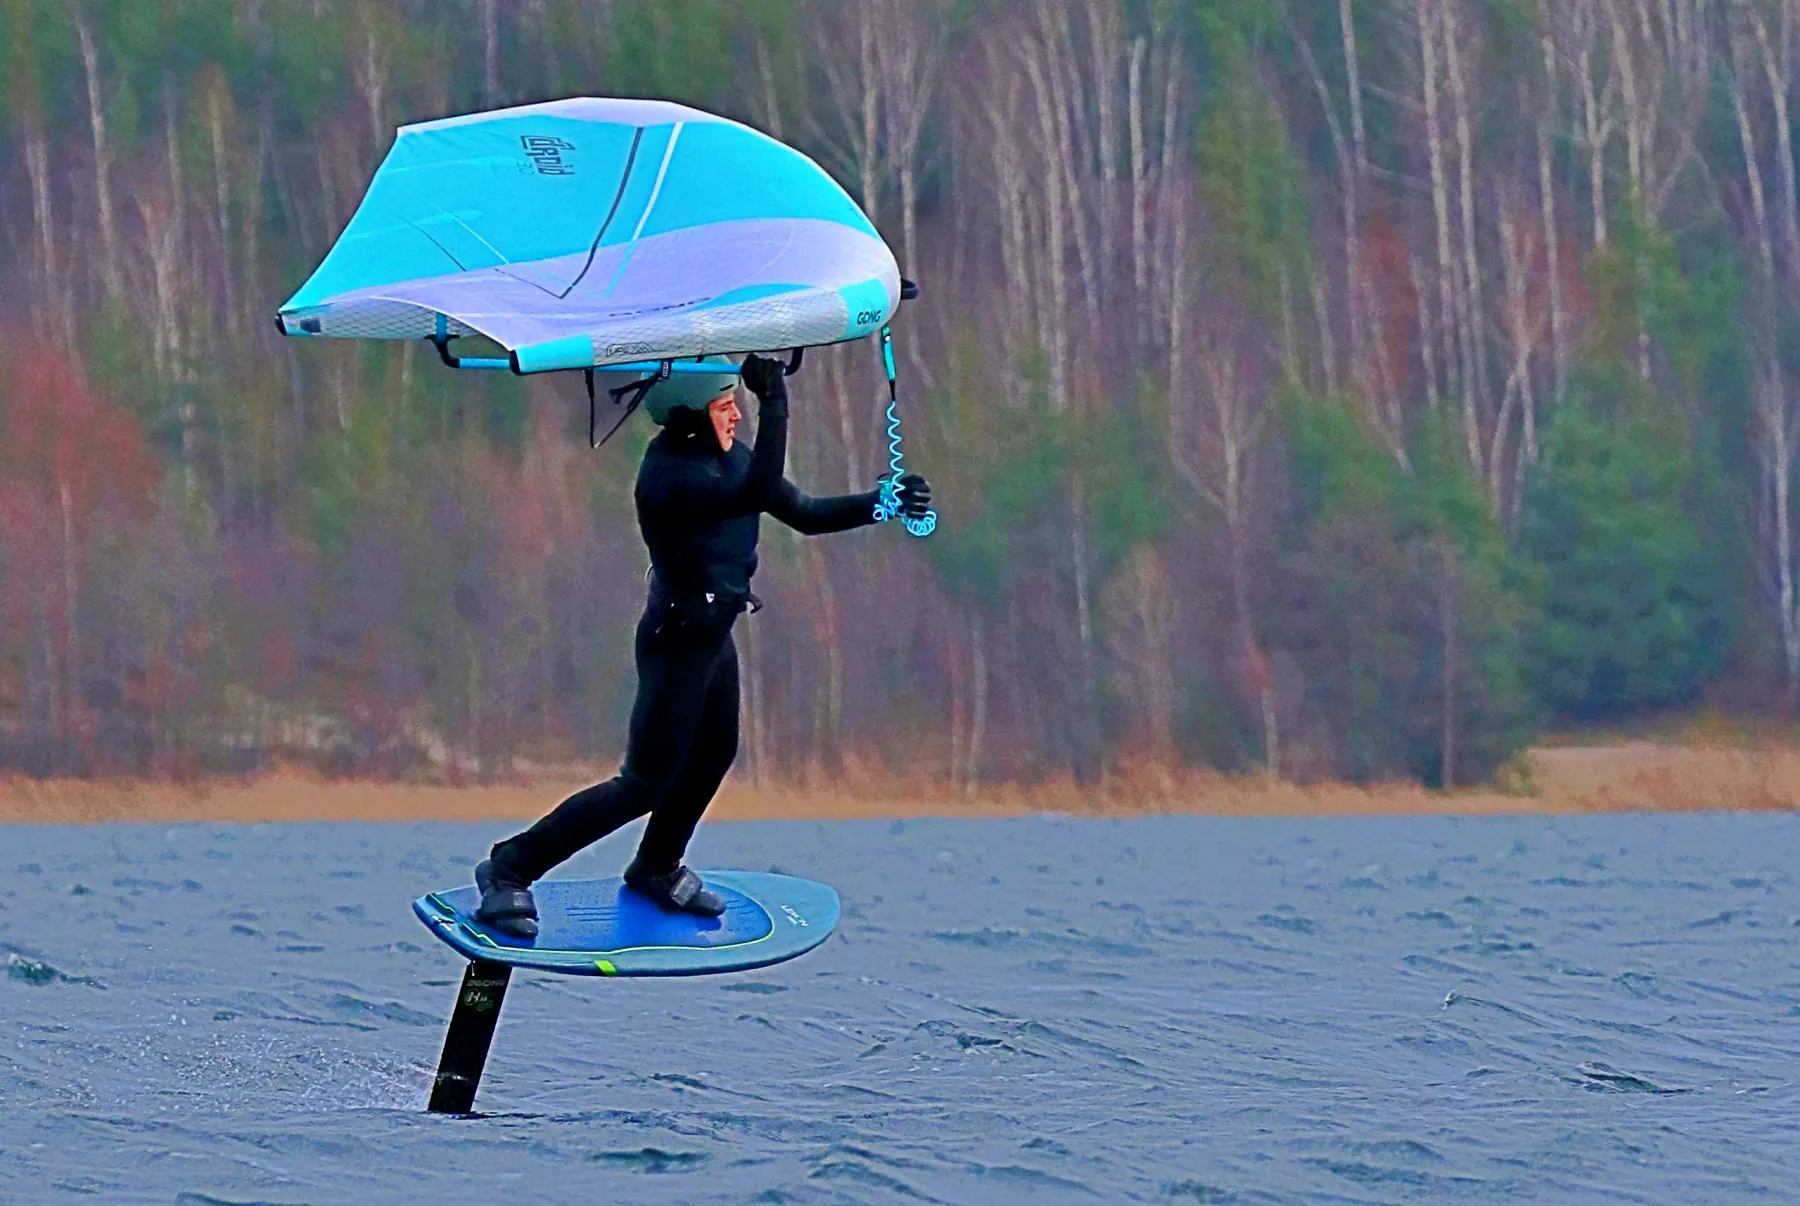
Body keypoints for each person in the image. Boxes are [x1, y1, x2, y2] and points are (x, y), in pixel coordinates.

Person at [473, 353, 932, 936]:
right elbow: (758, 489)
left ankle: (655, 867)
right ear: (690, 415)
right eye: (724, 407)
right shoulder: (670, 477)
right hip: (677, 643)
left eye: (736, 404)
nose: (736, 416)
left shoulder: (725, 457)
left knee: (714, 754)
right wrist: (776, 401)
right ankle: (509, 869)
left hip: (714, 636)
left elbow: (805, 513)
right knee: (643, 783)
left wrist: (884, 502)